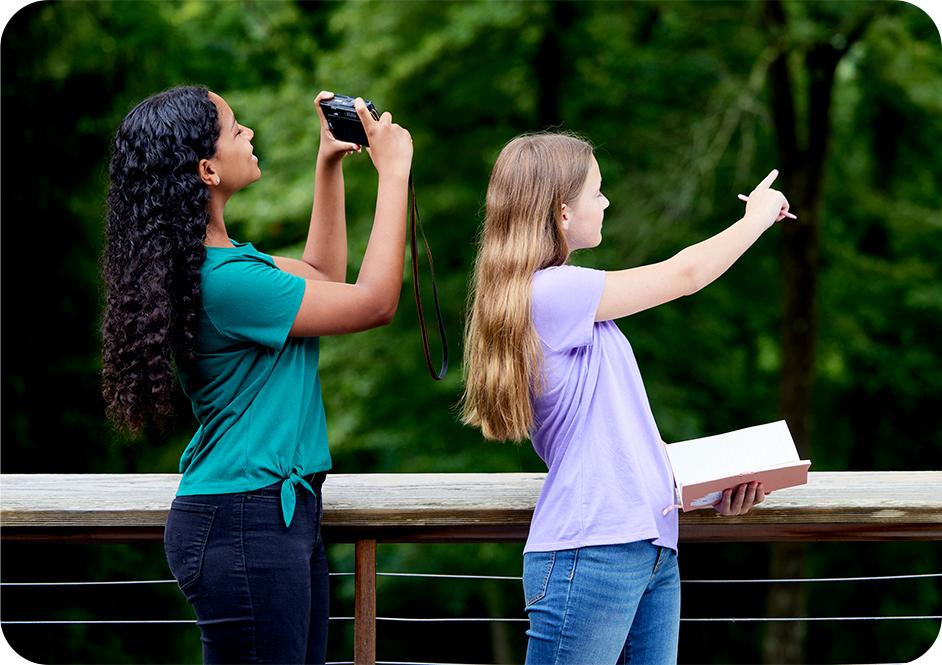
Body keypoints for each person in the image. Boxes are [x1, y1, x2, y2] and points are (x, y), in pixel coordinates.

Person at [101, 85, 413, 664]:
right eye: (233, 127)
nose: (247, 133)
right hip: (244, 520)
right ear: (206, 170)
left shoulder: (229, 265)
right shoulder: (226, 283)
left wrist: (328, 165)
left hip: (270, 515)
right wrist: (393, 174)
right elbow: (373, 303)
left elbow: (322, 273)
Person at [461, 132, 789, 664]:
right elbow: (684, 275)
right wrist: (756, 218)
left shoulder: (565, 299)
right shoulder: (551, 291)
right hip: (590, 553)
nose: (606, 201)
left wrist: (711, 489)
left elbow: (616, 440)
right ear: (562, 212)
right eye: (597, 191)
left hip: (651, 544)